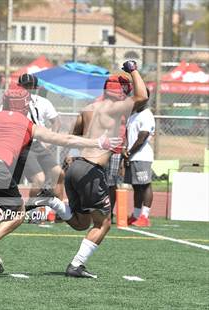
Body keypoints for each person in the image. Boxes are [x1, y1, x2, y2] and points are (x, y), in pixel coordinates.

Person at [0, 88, 121, 279]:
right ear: (26, 104)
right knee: (18, 213)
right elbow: (65, 139)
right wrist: (98, 143)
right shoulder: (28, 124)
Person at [52, 61, 148, 279]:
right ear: (122, 90)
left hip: (76, 166)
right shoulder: (116, 107)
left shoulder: (88, 108)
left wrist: (70, 155)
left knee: (81, 222)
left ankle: (54, 203)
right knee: (103, 223)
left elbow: (71, 135)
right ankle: (76, 265)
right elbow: (143, 96)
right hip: (91, 170)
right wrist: (132, 69)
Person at [14, 73, 66, 208]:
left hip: (39, 144)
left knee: (58, 173)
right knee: (39, 179)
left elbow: (56, 122)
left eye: (30, 86)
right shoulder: (12, 101)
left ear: (35, 87)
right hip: (23, 145)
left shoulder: (43, 102)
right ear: (19, 87)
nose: (28, 89)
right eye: (25, 86)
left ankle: (60, 213)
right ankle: (31, 210)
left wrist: (49, 141)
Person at [123, 89, 155, 227]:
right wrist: (126, 151)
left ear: (146, 99)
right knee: (136, 187)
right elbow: (128, 136)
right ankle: (135, 216)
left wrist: (129, 153)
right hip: (132, 156)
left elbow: (142, 138)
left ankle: (145, 216)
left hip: (142, 156)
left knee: (145, 185)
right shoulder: (133, 114)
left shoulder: (147, 115)